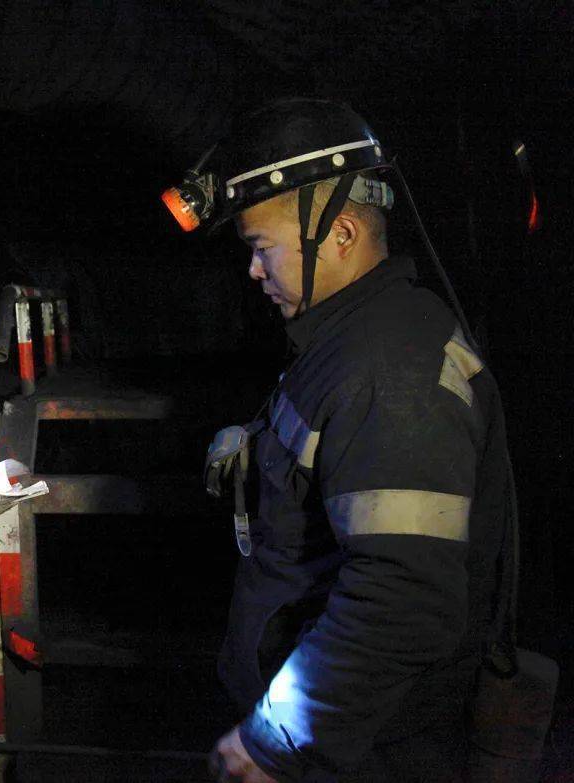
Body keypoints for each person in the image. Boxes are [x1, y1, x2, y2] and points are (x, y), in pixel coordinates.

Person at [163, 97, 509, 781]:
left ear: (342, 232)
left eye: (263, 249)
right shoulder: (346, 340)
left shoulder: (390, 372)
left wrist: (277, 740)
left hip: (367, 750)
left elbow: (402, 600)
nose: (255, 271)